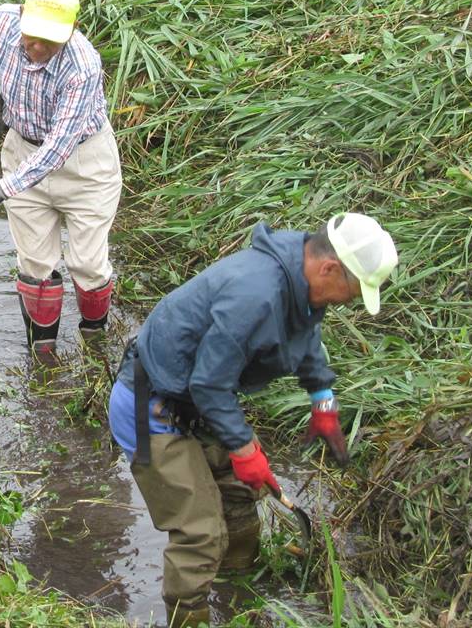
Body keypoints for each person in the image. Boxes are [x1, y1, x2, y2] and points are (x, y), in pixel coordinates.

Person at [107, 213, 398, 628]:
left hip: (196, 404)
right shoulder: (255, 294)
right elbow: (209, 385)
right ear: (330, 267)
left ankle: (237, 597)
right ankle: (189, 619)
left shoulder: (299, 280)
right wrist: (245, 450)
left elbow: (306, 334)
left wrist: (323, 398)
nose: (346, 300)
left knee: (242, 498)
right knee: (199, 532)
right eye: (351, 290)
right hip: (151, 407)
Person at [0, 0, 122, 353]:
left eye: (50, 41)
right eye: (32, 37)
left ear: (71, 32)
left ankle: (95, 347)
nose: (37, 48)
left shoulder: (82, 67)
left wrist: (0, 189)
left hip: (84, 166)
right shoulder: (1, 21)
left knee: (88, 264)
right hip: (21, 149)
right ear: (21, 18)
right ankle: (43, 359)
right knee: (34, 266)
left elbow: (58, 149)